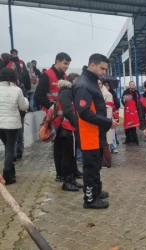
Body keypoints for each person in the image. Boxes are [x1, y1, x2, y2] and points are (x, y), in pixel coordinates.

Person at [73, 53, 119, 209]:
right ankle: (90, 199)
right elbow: (84, 112)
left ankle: (96, 190)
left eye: (105, 69)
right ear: (92, 65)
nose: (103, 72)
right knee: (91, 167)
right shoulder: (83, 84)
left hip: (96, 132)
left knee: (97, 164)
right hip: (88, 134)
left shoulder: (92, 82)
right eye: (102, 68)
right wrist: (107, 122)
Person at [35, 52, 71, 182]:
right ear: (57, 61)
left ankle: (66, 172)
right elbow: (38, 95)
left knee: (65, 145)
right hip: (53, 116)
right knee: (58, 146)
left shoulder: (64, 76)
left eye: (68, 64)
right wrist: (52, 106)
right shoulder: (47, 76)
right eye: (65, 63)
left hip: (64, 115)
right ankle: (59, 174)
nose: (67, 66)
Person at [0, 68, 29, 185]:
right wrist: (26, 100)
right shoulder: (17, 90)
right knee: (10, 148)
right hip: (12, 124)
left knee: (7, 147)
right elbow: (23, 106)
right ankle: (6, 174)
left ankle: (11, 172)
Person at [53, 79, 83, 191]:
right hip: (67, 128)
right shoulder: (66, 93)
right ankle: (67, 181)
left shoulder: (65, 92)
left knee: (70, 155)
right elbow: (68, 110)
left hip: (66, 128)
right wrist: (77, 123)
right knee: (68, 156)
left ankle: (70, 179)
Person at [67, 73, 83, 165]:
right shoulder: (68, 92)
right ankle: (79, 158)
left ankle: (79, 157)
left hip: (76, 119)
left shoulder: (76, 91)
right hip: (71, 121)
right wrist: (75, 120)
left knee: (78, 139)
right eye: (76, 80)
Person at [99, 80, 113, 169]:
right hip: (99, 120)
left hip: (104, 122)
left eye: (99, 83)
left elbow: (109, 109)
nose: (98, 85)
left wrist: (107, 122)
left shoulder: (107, 94)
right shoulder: (97, 93)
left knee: (105, 143)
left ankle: (106, 162)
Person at [103, 81, 120, 154]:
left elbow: (117, 104)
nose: (107, 87)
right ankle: (109, 147)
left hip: (112, 115)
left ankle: (113, 147)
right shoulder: (101, 93)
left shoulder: (112, 94)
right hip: (104, 115)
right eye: (105, 85)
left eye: (108, 85)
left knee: (112, 132)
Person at [122, 81, 140, 145]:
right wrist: (128, 108)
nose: (133, 85)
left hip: (135, 111)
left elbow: (139, 100)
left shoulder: (137, 92)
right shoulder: (126, 92)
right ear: (129, 85)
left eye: (133, 84)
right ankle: (128, 140)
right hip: (128, 111)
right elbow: (123, 100)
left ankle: (135, 140)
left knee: (133, 127)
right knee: (127, 127)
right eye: (131, 84)